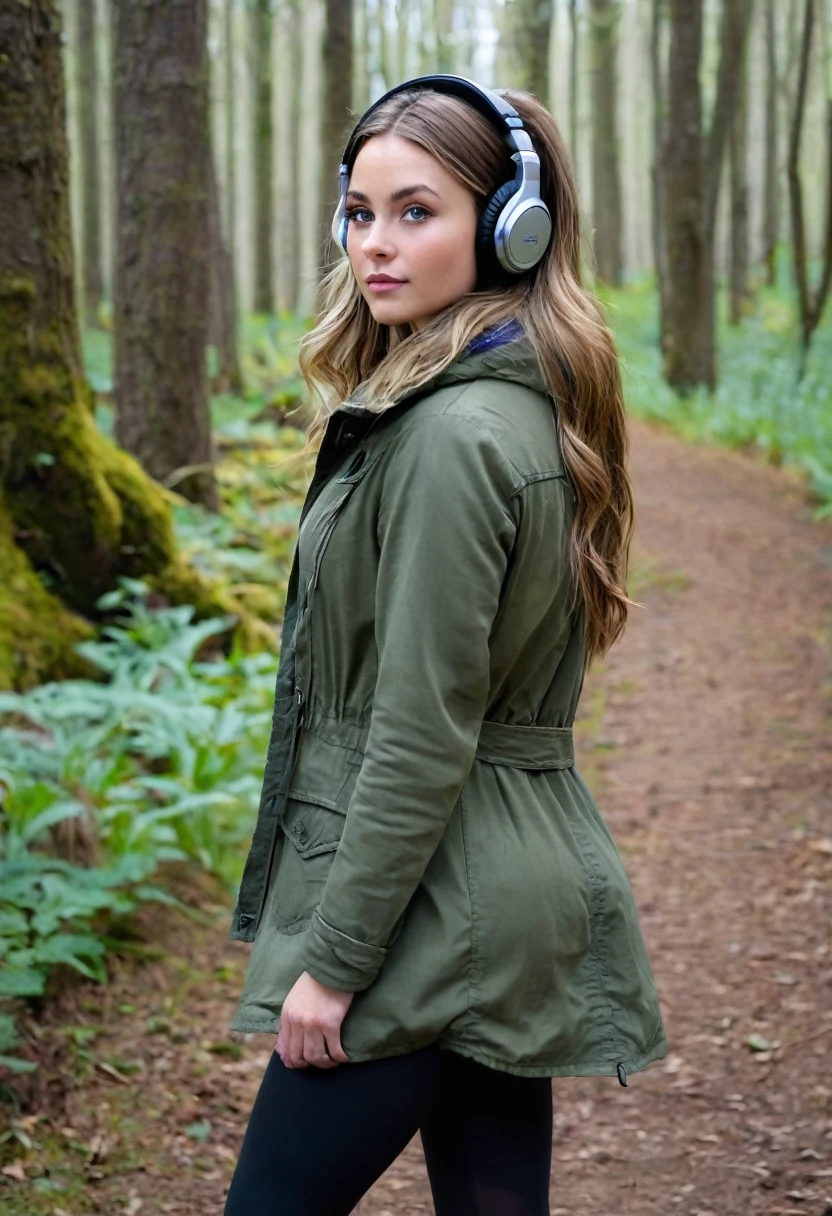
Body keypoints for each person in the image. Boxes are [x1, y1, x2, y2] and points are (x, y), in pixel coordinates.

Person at [223, 75, 667, 1216]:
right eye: (360, 212)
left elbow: (422, 734)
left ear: (511, 223)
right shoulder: (515, 404)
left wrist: (334, 962)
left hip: (428, 909)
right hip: (503, 895)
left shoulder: (452, 437)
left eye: (416, 211)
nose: (376, 244)